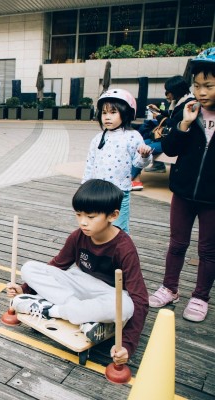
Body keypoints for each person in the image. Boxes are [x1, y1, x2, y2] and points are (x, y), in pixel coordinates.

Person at [7, 179, 148, 365]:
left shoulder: (124, 247)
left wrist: (127, 346)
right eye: (78, 215)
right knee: (29, 268)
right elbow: (57, 265)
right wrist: (25, 289)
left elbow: (140, 298)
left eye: (90, 217)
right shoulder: (78, 236)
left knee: (127, 307)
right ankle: (85, 317)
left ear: (112, 215)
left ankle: (52, 310)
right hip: (77, 284)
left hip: (107, 293)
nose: (83, 222)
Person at [148, 47, 215, 323]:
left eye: (209, 86)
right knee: (177, 243)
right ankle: (170, 288)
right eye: (197, 85)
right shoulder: (189, 111)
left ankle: (200, 296)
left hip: (213, 198)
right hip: (183, 193)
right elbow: (169, 148)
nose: (201, 91)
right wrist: (185, 124)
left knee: (208, 250)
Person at [82, 88, 153, 234]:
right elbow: (90, 164)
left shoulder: (133, 136)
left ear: (125, 113)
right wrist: (84, 188)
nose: (107, 117)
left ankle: (119, 255)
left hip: (120, 194)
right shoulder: (98, 138)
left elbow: (138, 164)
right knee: (97, 227)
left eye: (113, 112)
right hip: (98, 193)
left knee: (119, 230)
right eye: (104, 112)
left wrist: (144, 156)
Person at [131, 75, 195, 189]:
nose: (167, 94)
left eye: (168, 92)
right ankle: (136, 177)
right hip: (166, 137)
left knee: (144, 147)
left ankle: (132, 178)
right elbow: (171, 114)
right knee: (140, 144)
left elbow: (172, 122)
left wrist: (159, 116)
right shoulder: (179, 102)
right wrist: (159, 110)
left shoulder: (188, 104)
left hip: (172, 141)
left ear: (176, 91)